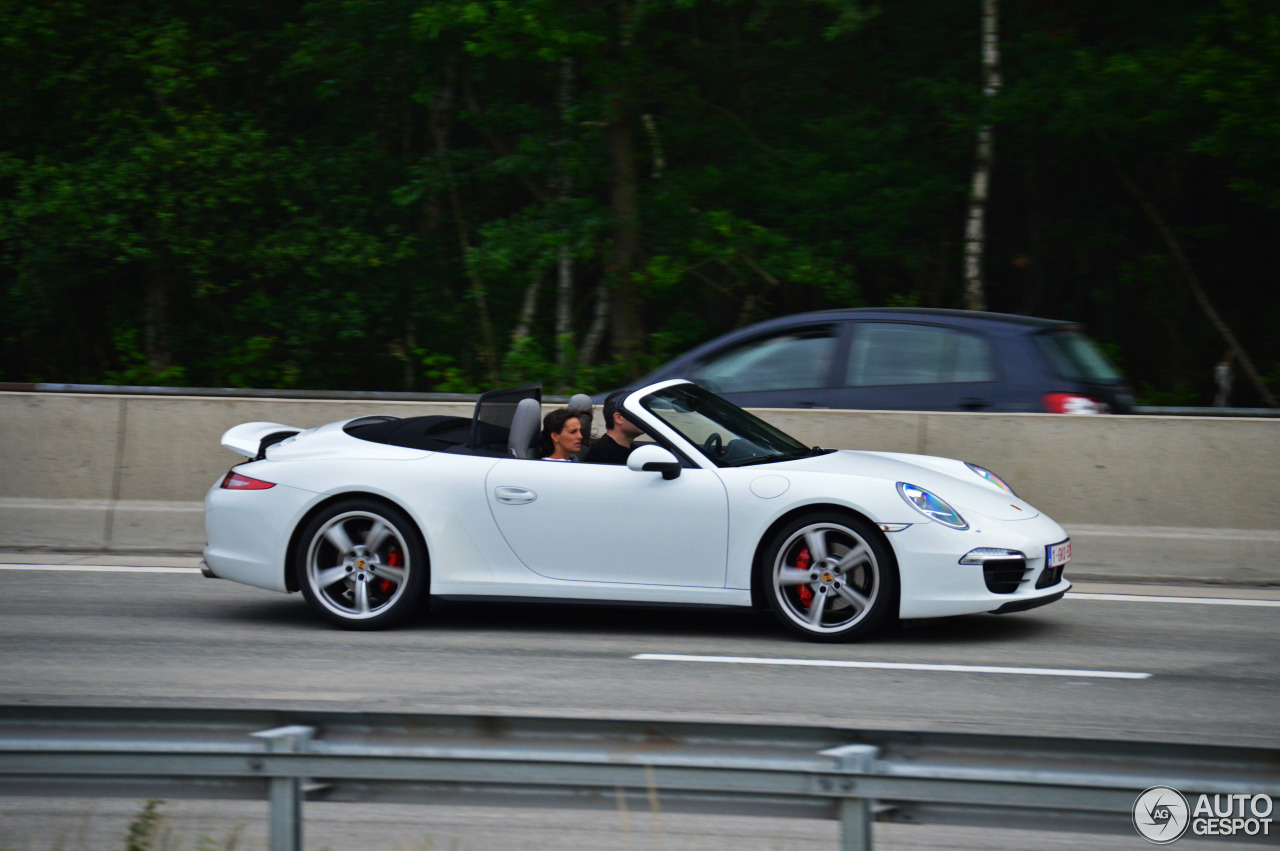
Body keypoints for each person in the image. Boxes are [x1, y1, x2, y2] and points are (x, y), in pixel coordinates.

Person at [583, 391, 645, 464]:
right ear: (618, 418)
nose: (642, 417)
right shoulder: (603, 453)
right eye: (635, 412)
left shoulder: (633, 451)